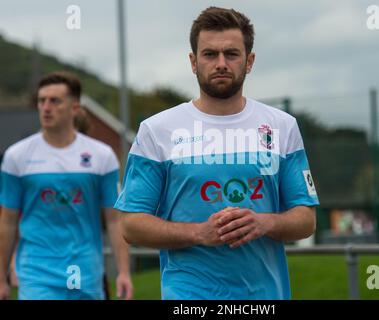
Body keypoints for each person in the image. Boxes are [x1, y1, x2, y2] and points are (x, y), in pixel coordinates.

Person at [115, 6, 319, 300]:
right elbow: (131, 225)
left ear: (249, 61)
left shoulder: (282, 127)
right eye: (209, 54)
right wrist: (199, 233)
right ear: (193, 61)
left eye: (232, 54)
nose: (221, 63)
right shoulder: (156, 130)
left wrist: (265, 223)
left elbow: (306, 220)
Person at [0, 71, 133, 300]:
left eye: (55, 101)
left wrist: (123, 272)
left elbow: (114, 219)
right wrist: (1, 276)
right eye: (42, 101)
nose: (46, 107)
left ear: (74, 108)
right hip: (37, 272)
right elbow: (8, 220)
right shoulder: (17, 156)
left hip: (85, 270)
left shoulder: (102, 156)